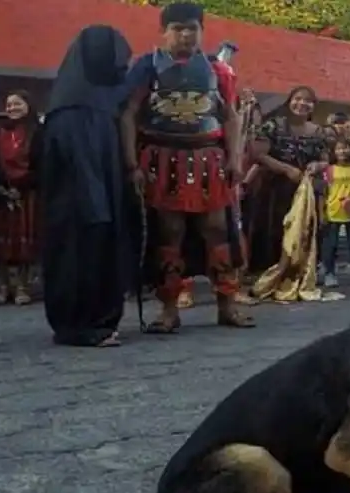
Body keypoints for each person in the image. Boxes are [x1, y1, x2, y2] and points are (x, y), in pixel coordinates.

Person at [120, 2, 250, 334]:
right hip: (162, 158)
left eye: (192, 28)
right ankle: (169, 309)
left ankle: (227, 304)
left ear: (201, 31)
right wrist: (132, 164)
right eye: (177, 28)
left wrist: (235, 158)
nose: (185, 35)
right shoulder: (147, 66)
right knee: (169, 232)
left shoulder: (218, 70)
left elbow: (230, 116)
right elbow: (129, 113)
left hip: (208, 157)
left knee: (218, 230)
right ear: (163, 31)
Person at [39, 25, 134, 348]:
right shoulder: (73, 109)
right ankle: (78, 325)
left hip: (98, 200)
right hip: (80, 205)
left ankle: (98, 321)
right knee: (77, 257)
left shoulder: (95, 102)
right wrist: (96, 205)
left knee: (95, 255)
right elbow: (79, 163)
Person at [247, 85, 330, 276]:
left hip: (303, 191)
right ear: (289, 101)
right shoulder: (273, 125)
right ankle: (267, 278)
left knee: (302, 232)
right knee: (271, 232)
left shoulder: (318, 131)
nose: (302, 103)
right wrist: (285, 169)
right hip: (273, 190)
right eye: (297, 99)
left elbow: (326, 160)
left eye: (308, 100)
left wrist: (317, 165)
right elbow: (259, 155)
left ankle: (295, 277)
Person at [0, 90, 42, 306]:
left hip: (27, 193)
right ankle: (3, 287)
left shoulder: (38, 132)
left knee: (24, 243)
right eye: (9, 105)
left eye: (17, 104)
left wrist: (22, 186)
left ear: (28, 106)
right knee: (0, 243)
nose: (12, 108)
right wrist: (2, 187)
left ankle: (22, 287)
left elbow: (41, 163)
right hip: (2, 193)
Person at [318, 138, 350, 288]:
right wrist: (321, 213)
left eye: (345, 148)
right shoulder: (329, 170)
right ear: (334, 152)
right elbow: (323, 193)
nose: (342, 151)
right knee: (331, 245)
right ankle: (329, 274)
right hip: (333, 211)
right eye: (339, 148)